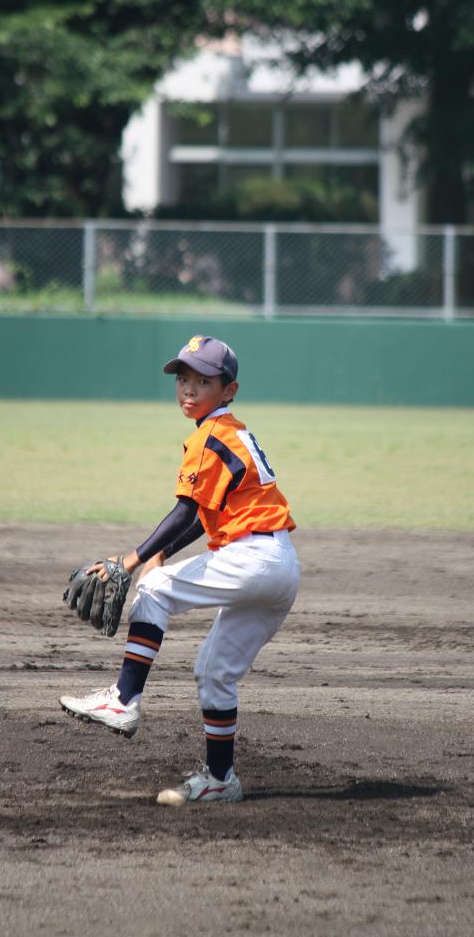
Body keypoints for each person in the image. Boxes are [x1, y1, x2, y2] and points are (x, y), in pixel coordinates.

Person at [59, 334, 300, 806]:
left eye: (203, 381)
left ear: (229, 390)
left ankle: (123, 699)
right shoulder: (230, 431)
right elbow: (203, 515)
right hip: (280, 567)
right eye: (183, 379)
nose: (189, 389)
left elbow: (186, 511)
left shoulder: (209, 436)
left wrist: (130, 562)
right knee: (215, 671)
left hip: (253, 558)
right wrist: (161, 552)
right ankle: (220, 778)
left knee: (152, 589)